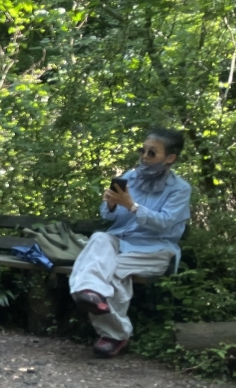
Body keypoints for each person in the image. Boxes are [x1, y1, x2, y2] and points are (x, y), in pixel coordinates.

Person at [70, 129, 191, 357]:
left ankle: (113, 334)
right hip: (121, 241)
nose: (144, 156)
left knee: (111, 272)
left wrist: (132, 206)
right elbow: (108, 216)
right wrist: (112, 204)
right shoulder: (130, 177)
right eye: (142, 150)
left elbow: (165, 223)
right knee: (99, 238)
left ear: (170, 158)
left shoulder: (180, 189)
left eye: (152, 153)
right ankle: (91, 293)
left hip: (155, 249)